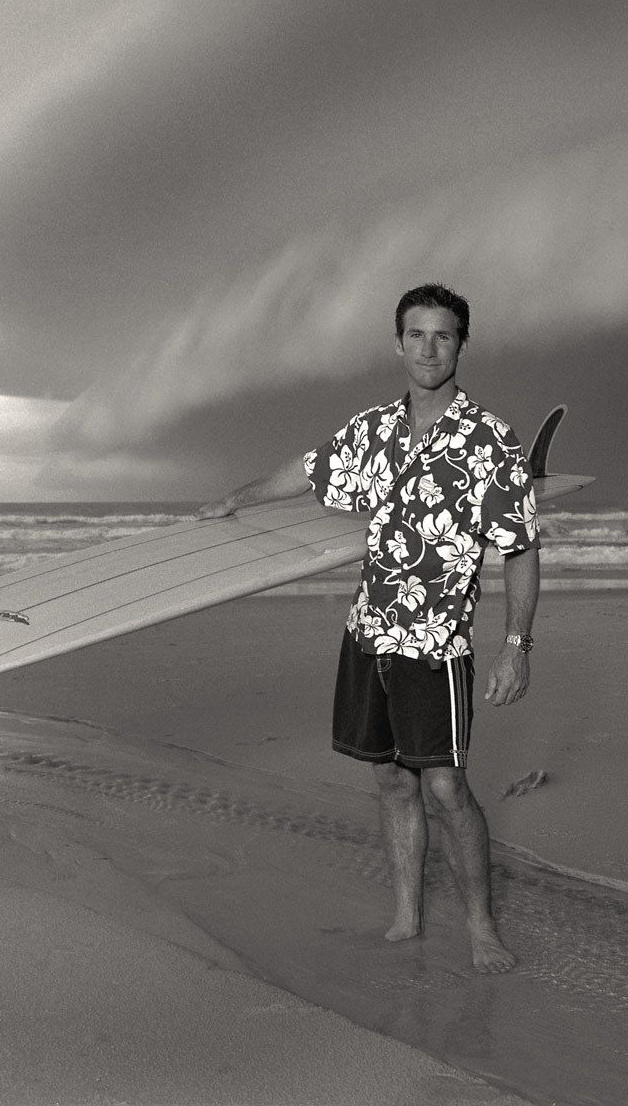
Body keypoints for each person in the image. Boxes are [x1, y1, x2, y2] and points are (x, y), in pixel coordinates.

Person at [196, 283, 538, 973]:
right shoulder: (375, 429)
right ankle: (408, 914)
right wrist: (238, 497)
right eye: (416, 335)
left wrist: (515, 646)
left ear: (461, 345)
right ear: (398, 344)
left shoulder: (489, 441)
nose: (429, 349)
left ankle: (481, 927)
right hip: (368, 633)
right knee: (389, 778)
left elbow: (521, 548)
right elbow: (309, 469)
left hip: (436, 645)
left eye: (443, 335)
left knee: (444, 787)